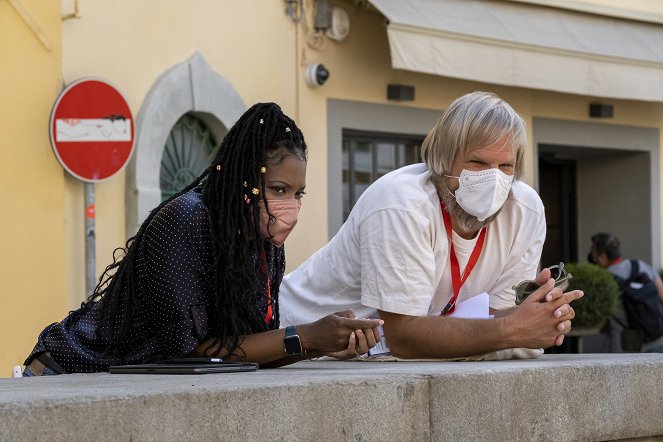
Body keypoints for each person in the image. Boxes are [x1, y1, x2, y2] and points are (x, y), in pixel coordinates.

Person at [23, 103, 381, 375]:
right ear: (245, 180)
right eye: (278, 189)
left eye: (298, 193)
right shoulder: (186, 219)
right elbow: (190, 352)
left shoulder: (261, 239)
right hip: (70, 370)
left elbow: (245, 352)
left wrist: (324, 344)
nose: (290, 206)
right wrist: (308, 336)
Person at [279, 91, 583, 359]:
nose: (494, 178)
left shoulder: (525, 209)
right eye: (477, 163)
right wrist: (512, 330)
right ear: (442, 160)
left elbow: (491, 320)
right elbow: (404, 337)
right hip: (297, 348)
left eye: (505, 166)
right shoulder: (401, 202)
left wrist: (539, 316)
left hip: (376, 358)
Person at [589, 232, 663, 353]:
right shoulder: (640, 265)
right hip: (658, 338)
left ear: (602, 256)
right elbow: (661, 291)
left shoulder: (603, 280)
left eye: (593, 252)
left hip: (623, 345)